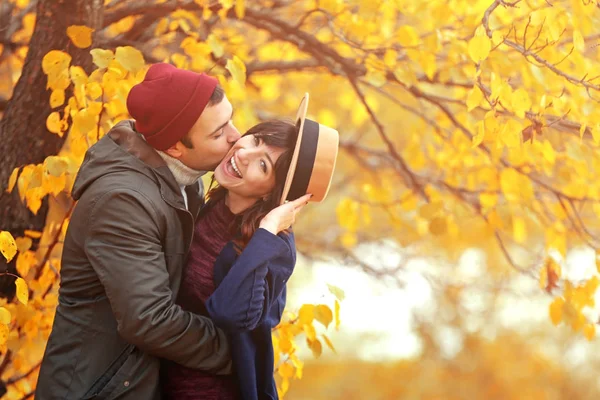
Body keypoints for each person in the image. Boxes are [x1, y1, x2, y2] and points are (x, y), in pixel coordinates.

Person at [36, 63, 241, 399]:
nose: (236, 136)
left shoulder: (184, 180)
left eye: (230, 119)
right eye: (218, 133)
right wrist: (238, 351)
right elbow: (149, 319)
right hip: (98, 389)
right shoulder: (122, 200)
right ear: (176, 147)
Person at [162, 94, 339, 400]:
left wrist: (267, 230)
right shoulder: (205, 201)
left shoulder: (273, 247)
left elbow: (231, 313)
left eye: (263, 165)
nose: (244, 153)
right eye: (255, 139)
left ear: (274, 194)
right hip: (158, 381)